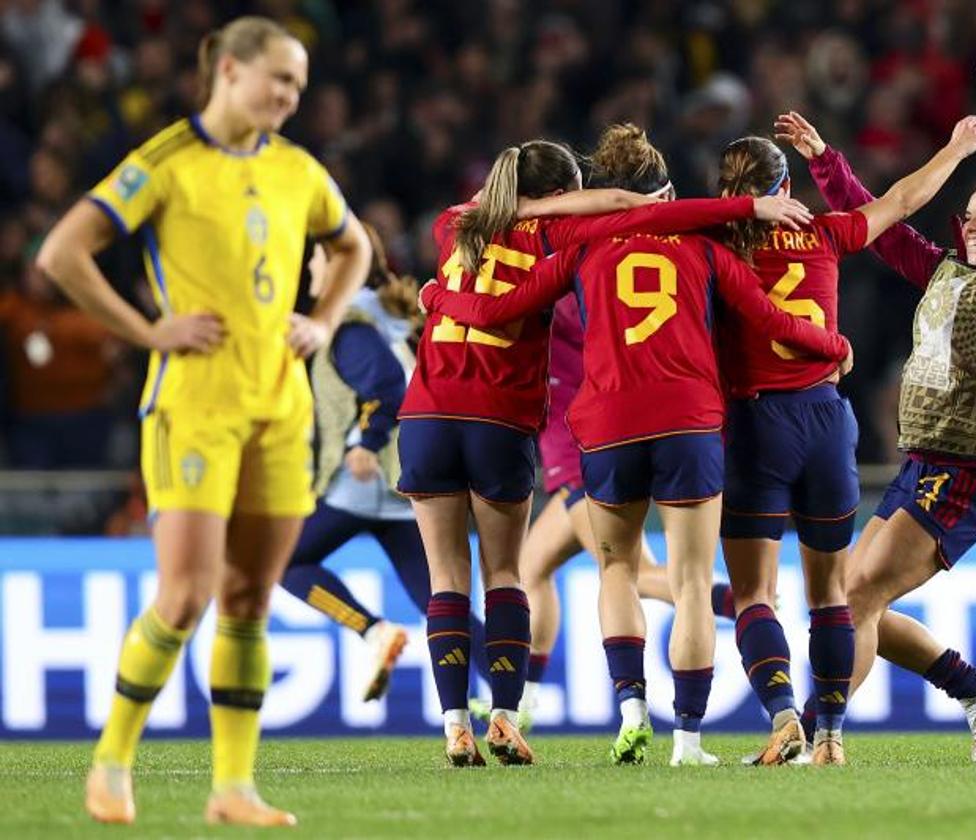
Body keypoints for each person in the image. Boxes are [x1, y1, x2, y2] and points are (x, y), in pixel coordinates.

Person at [420, 123, 852, 767]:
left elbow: (495, 308)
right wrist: (832, 345)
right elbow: (767, 315)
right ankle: (689, 740)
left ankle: (624, 708)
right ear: (665, 193)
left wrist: (438, 296)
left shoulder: (561, 247)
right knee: (689, 579)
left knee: (611, 570)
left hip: (592, 426)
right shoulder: (699, 245)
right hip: (690, 421)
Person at [35, 16, 371, 826]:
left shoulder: (298, 170)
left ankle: (233, 788)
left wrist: (321, 322)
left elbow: (355, 246)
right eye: (279, 79)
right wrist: (148, 330)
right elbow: (61, 253)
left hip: (281, 408)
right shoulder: (167, 162)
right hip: (195, 404)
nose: (291, 97)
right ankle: (113, 761)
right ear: (227, 70)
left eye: (298, 84)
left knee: (251, 597)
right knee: (185, 596)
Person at [787, 43, 976, 763]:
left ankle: (815, 735)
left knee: (857, 598)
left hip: (967, 472)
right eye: (969, 217)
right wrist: (826, 162)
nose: (973, 226)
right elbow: (873, 226)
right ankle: (975, 690)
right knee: (854, 593)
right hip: (922, 461)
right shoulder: (943, 273)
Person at [715, 118, 976, 766]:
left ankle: (785, 715)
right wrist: (954, 146)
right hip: (826, 422)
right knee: (831, 596)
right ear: (786, 186)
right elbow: (901, 201)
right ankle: (830, 738)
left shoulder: (718, 245)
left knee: (755, 595)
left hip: (758, 425)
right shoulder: (823, 232)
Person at [280, 225, 488, 701]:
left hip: (368, 474)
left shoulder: (350, 324)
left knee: (289, 561)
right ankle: (509, 691)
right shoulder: (391, 312)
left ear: (335, 264)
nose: (308, 268)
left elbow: (386, 387)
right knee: (437, 597)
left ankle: (373, 632)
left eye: (313, 258)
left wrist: (361, 441)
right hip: (414, 472)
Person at [514, 289, 737, 732]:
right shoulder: (599, 291)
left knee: (624, 570)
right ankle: (525, 699)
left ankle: (728, 599)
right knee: (531, 568)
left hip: (583, 447)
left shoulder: (569, 293)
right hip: (589, 442)